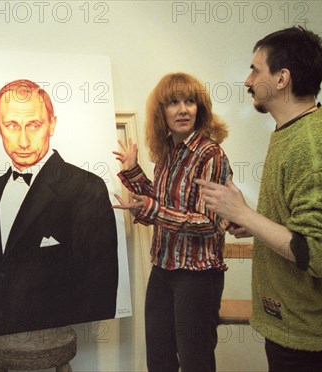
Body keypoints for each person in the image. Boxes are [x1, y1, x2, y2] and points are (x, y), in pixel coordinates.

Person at [196, 26, 322, 371]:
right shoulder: (295, 131)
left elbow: (317, 254)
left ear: (282, 79)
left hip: (308, 334)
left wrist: (244, 214)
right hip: (292, 323)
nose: (247, 81)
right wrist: (255, 222)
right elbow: (301, 223)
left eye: (255, 69)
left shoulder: (315, 145)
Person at [0, 79, 118, 338]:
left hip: (57, 350)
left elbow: (100, 288)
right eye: (12, 126)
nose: (24, 141)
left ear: (52, 124)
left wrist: (71, 348)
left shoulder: (86, 187)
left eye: (34, 125)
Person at [113, 72, 232, 372]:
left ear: (199, 108)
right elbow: (165, 204)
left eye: (190, 101)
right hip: (163, 269)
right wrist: (133, 171)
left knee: (195, 362)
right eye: (174, 102)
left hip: (198, 276)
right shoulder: (167, 153)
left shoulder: (211, 155)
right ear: (161, 112)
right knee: (160, 360)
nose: (183, 109)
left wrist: (153, 210)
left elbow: (210, 222)